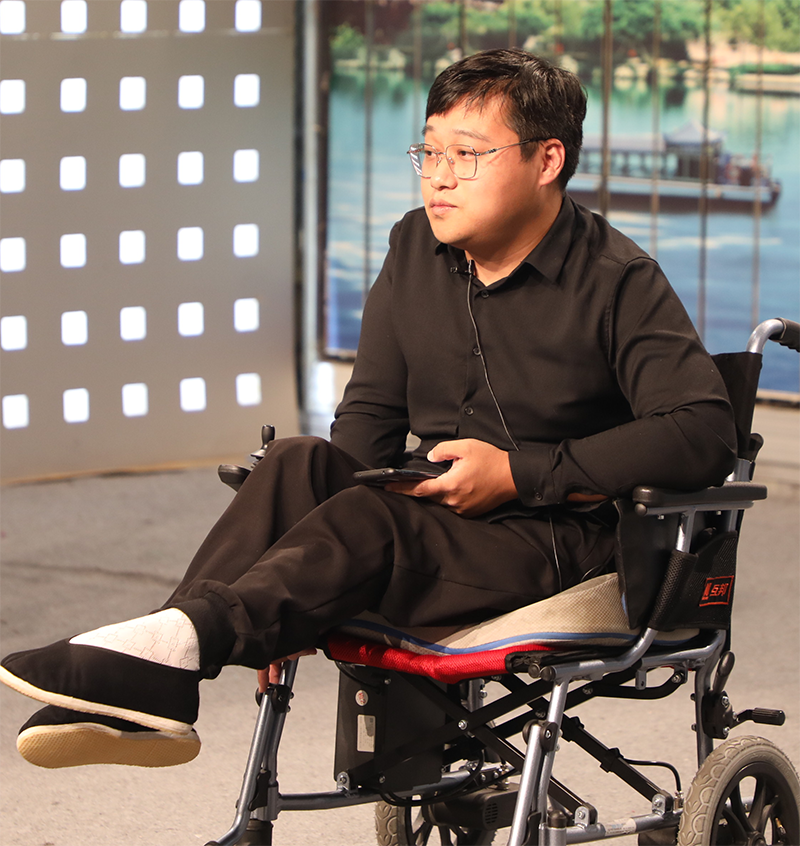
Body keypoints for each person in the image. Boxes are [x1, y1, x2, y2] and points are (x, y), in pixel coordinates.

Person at [0, 48, 736, 770]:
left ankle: (172, 652)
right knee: (298, 460)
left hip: (551, 540)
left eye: (467, 155)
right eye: (430, 152)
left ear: (547, 160)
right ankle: (169, 669)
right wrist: (281, 575)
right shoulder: (414, 245)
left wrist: (517, 473)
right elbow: (369, 418)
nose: (438, 177)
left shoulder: (618, 278)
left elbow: (703, 431)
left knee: (368, 517)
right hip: (431, 515)